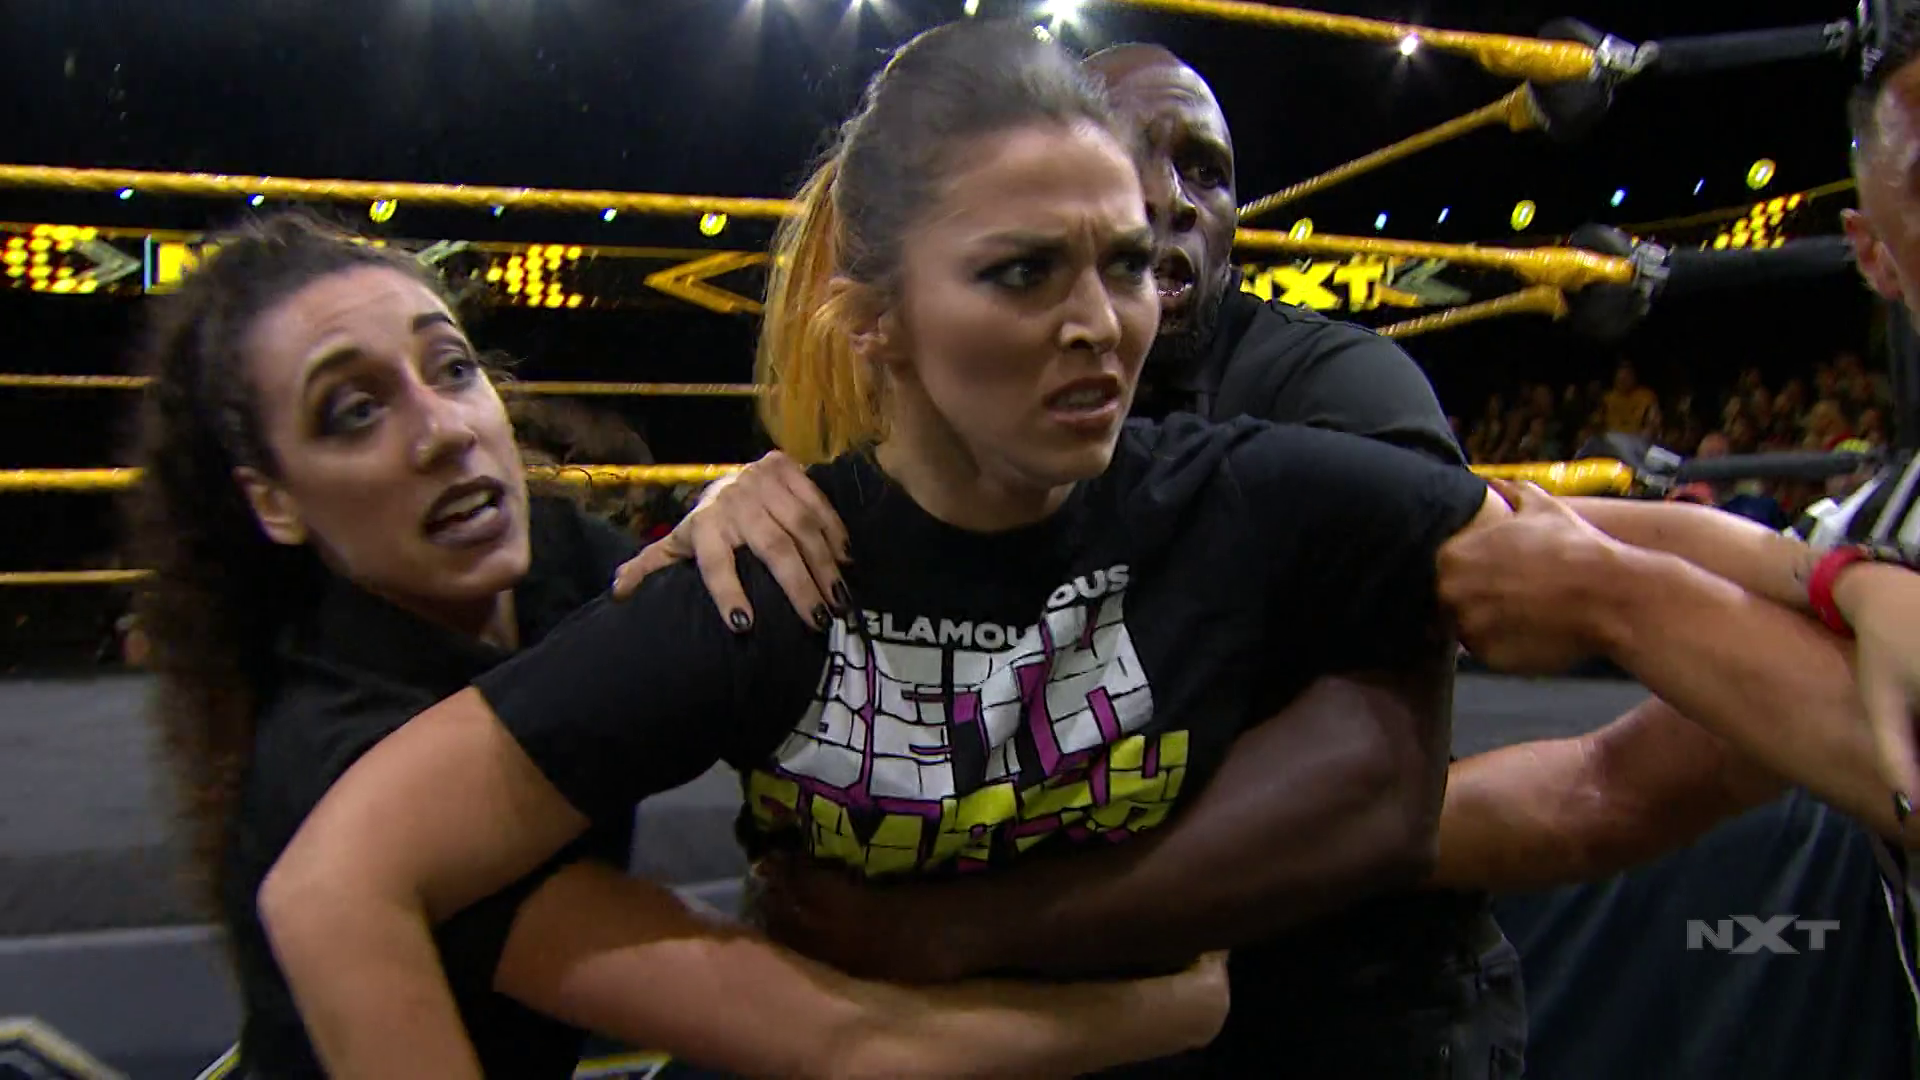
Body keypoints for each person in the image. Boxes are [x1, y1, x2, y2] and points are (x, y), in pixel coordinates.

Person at [255, 21, 1920, 1079]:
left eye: (1122, 263)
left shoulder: (1253, 489)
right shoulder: (775, 567)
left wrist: (1850, 586)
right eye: (1022, 272)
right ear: (881, 320)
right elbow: (338, 880)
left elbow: (1599, 572)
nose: (1100, 320)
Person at [130, 211, 1230, 1079]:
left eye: (451, 368)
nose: (444, 431)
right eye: (353, 412)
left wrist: (736, 504)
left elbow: (736, 619)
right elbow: (848, 1043)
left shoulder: (556, 561)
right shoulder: (341, 770)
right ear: (273, 501)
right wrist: (1179, 1007)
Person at [619, 40, 1530, 1078]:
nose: (1174, 197)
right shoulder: (992, 405)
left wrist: (962, 928)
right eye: (1137, 152)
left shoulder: (1335, 392)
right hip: (1112, 1019)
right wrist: (752, 501)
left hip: (1350, 1006)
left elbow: (1373, 781)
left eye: (1207, 170)